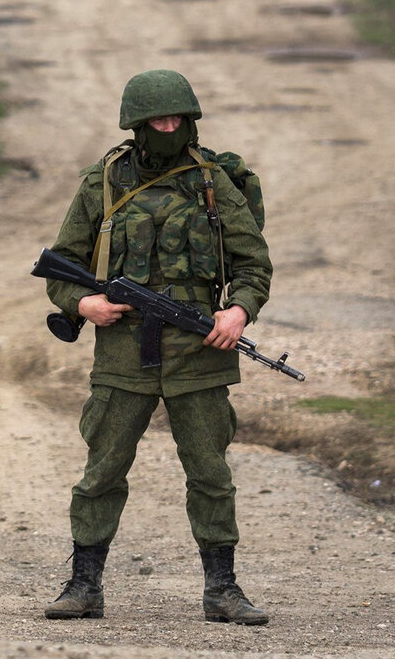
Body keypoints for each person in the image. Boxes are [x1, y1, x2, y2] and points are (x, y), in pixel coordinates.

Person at [42, 69, 272, 625]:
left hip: (200, 350)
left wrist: (238, 311)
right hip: (122, 351)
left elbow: (252, 264)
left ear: (190, 120)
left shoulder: (214, 181)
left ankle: (223, 589)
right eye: (157, 120)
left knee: (210, 474)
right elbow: (61, 263)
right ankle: (83, 585)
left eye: (177, 119)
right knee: (102, 470)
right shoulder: (104, 182)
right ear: (137, 125)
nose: (168, 128)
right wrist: (83, 305)